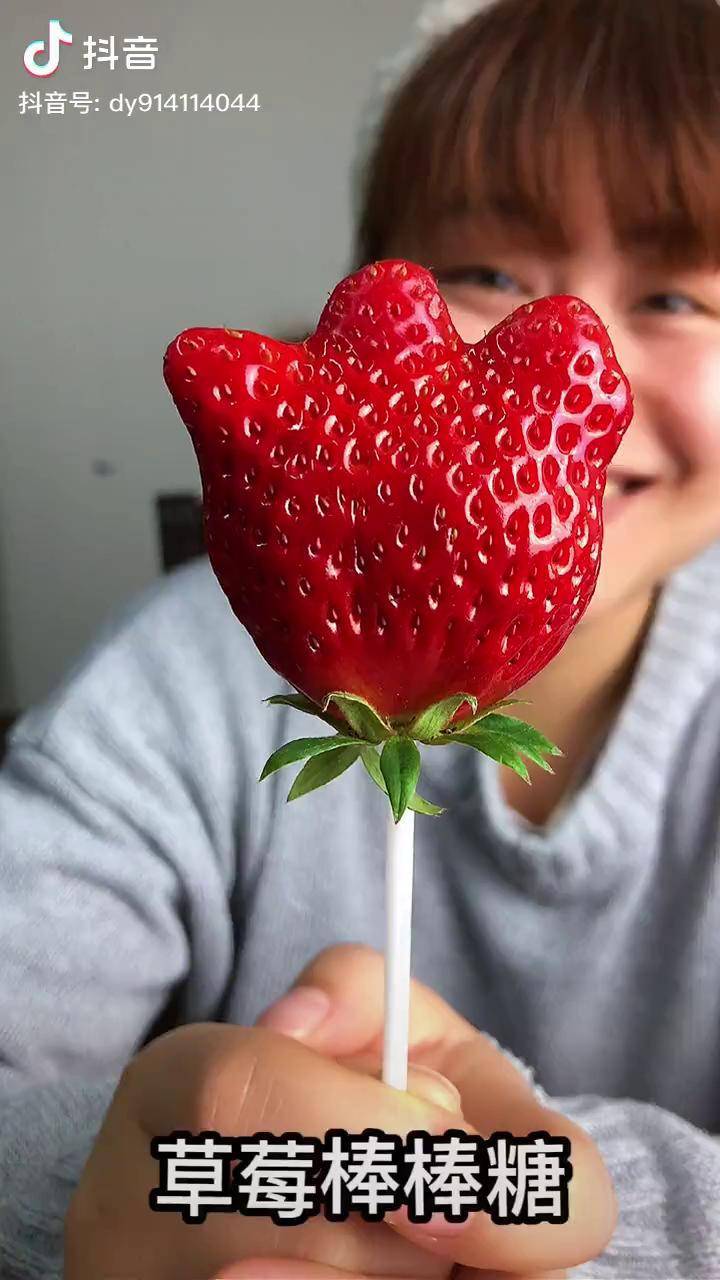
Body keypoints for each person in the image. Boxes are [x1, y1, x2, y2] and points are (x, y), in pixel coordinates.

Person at [3, 0, 720, 1275]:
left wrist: (606, 1223)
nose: (573, 349)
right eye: (488, 271)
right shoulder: (168, 696)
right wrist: (101, 1178)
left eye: (676, 290)